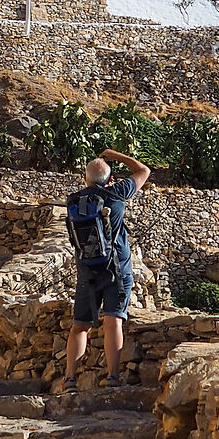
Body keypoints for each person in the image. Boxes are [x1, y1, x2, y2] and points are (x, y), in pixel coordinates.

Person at [60, 147, 150, 391]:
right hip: (116, 269)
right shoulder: (116, 194)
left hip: (86, 270)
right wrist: (116, 155)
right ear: (110, 179)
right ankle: (112, 377)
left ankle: (69, 379)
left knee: (80, 325)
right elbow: (143, 170)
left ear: (85, 179)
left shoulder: (73, 201)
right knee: (113, 321)